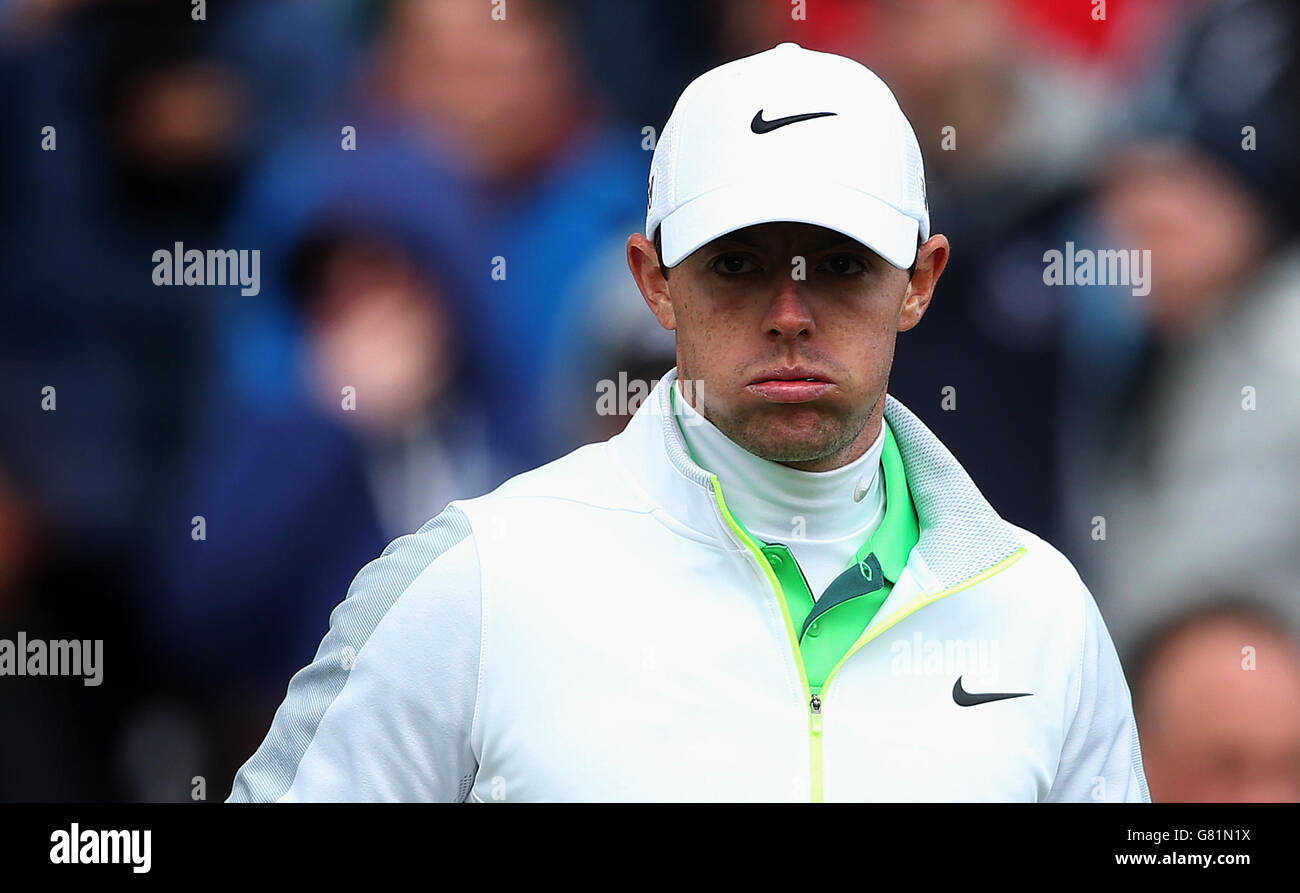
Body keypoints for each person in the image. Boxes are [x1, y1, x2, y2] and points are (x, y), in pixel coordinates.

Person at [228, 42, 1149, 803]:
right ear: (652, 280)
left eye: (840, 265)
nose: (791, 312)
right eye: (739, 266)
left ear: (920, 280)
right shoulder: (475, 579)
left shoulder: (1045, 615)